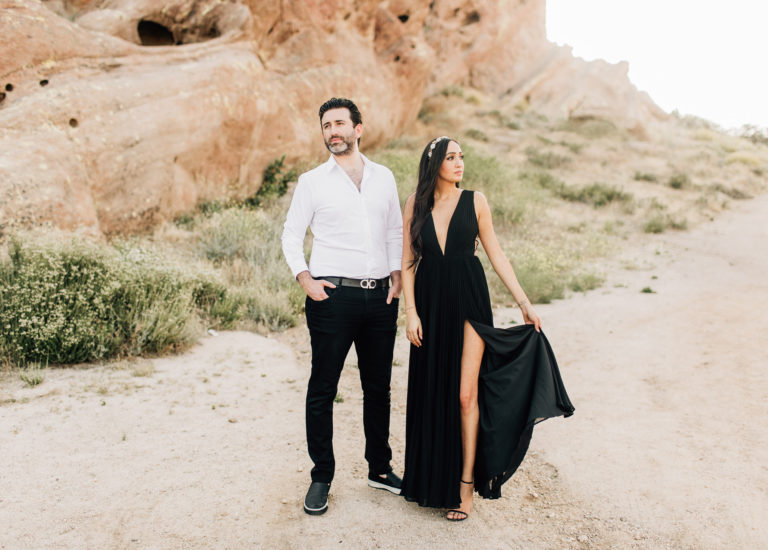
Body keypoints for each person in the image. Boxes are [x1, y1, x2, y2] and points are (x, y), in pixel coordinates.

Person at [399, 136, 574, 521]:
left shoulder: (475, 201)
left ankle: (465, 486)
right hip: (428, 304)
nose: (460, 163)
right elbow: (408, 261)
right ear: (434, 163)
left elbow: (496, 255)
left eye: (462, 157)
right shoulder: (415, 204)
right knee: (432, 391)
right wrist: (410, 313)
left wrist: (524, 302)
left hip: (469, 304)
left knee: (465, 396)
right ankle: (429, 480)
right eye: (451, 157)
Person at [281, 98, 404, 516]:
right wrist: (305, 279)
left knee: (378, 390)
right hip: (332, 299)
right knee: (323, 389)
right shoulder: (312, 181)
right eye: (326, 125)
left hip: (380, 298)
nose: (332, 131)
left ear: (358, 129)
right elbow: (290, 234)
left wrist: (397, 275)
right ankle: (321, 476)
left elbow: (394, 230)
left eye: (339, 123)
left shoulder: (384, 177)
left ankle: (380, 469)